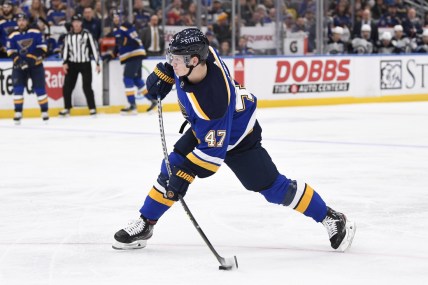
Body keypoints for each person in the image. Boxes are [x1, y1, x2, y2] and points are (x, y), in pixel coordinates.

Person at [112, 28, 356, 253]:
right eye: (172, 57)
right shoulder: (199, 59)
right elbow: (179, 69)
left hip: (239, 138)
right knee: (170, 169)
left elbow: (212, 157)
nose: (171, 62)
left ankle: (331, 217)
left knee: (274, 189)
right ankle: (146, 222)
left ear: (194, 61)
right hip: (206, 129)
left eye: (175, 59)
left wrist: (183, 176)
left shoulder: (212, 103)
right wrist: (164, 72)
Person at [106, 10, 156, 113]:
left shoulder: (126, 26)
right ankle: (153, 100)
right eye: (114, 17)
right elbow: (118, 46)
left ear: (122, 18)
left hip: (133, 55)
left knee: (127, 79)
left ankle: (132, 105)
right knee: (137, 79)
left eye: (118, 16)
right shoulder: (116, 30)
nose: (116, 18)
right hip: (134, 56)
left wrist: (124, 41)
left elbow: (136, 40)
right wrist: (111, 55)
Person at [7, 13, 49, 124]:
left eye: (23, 20)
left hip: (36, 66)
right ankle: (18, 112)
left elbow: (43, 48)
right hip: (19, 67)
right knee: (18, 89)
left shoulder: (35, 32)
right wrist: (19, 61)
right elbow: (10, 51)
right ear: (16, 22)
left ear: (27, 21)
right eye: (19, 20)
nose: (21, 22)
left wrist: (30, 59)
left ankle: (44, 111)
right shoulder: (12, 35)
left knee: (40, 90)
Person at [59, 14, 100, 117]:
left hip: (85, 63)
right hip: (72, 64)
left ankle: (92, 108)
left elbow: (94, 49)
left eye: (78, 22)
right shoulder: (68, 36)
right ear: (72, 23)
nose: (76, 24)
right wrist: (64, 63)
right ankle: (67, 108)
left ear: (81, 23)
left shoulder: (87, 34)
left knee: (87, 86)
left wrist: (97, 63)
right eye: (74, 22)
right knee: (67, 87)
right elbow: (65, 50)